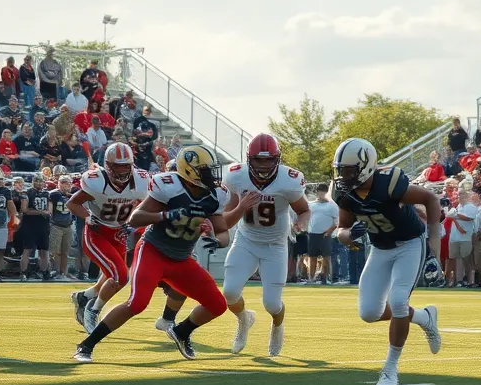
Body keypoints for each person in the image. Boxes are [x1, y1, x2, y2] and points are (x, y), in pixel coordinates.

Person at [74, 145, 231, 362]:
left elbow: (223, 233)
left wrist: (214, 238)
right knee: (137, 304)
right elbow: (136, 218)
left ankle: (181, 332)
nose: (211, 175)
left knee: (218, 305)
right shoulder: (170, 186)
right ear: (189, 171)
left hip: (182, 258)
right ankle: (86, 345)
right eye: (205, 170)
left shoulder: (215, 194)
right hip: (153, 252)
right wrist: (166, 215)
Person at [331, 138, 443, 385]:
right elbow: (342, 229)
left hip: (410, 244)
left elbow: (430, 199)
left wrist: (433, 245)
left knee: (399, 300)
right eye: (341, 170)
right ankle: (425, 318)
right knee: (369, 313)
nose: (344, 176)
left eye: (349, 170)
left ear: (366, 166)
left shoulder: (390, 182)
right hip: (380, 249)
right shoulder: (344, 193)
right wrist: (348, 236)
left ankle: (390, 368)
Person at [213, 134, 312, 355]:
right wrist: (241, 207)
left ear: (278, 158)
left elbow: (304, 210)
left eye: (269, 160)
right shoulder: (236, 176)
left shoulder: (289, 180)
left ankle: (277, 326)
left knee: (272, 304)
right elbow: (227, 215)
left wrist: (301, 224)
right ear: (249, 158)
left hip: (275, 245)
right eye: (259, 159)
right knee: (229, 292)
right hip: (246, 240)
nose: (264, 165)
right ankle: (244, 320)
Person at [67, 142, 151, 332]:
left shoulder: (142, 181)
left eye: (125, 166)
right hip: (98, 233)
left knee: (113, 275)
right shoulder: (97, 181)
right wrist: (88, 217)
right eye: (118, 166)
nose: (122, 171)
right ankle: (93, 309)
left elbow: (149, 204)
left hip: (120, 233)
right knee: (121, 276)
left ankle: (85, 296)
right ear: (108, 165)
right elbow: (73, 204)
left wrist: (134, 219)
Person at [19, 173, 52, 281]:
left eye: (41, 181)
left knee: (44, 251)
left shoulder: (48, 194)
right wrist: (40, 212)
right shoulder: (27, 193)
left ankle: (45, 273)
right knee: (27, 250)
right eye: (36, 181)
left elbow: (49, 211)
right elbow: (24, 210)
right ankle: (23, 273)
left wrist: (40, 212)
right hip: (29, 225)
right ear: (33, 182)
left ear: (44, 182)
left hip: (43, 225)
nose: (38, 183)